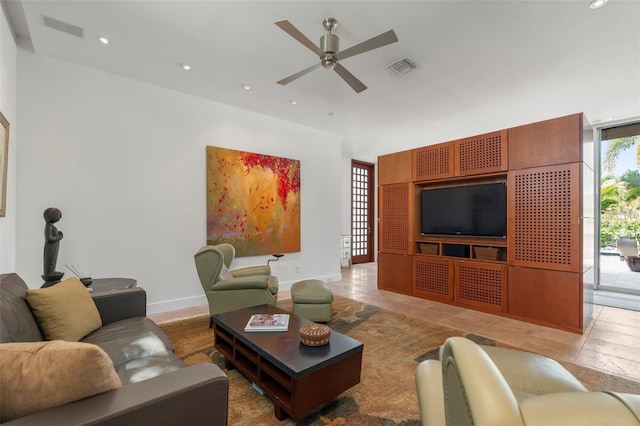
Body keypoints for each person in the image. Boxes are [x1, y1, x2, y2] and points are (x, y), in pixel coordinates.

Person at [43, 207, 63, 278]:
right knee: (50, 260)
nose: (60, 217)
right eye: (58, 215)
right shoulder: (49, 226)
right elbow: (49, 238)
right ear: (49, 216)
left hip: (54, 247)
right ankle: (49, 273)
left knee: (53, 259)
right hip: (50, 248)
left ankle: (52, 271)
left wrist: (57, 233)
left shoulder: (51, 226)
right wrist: (59, 237)